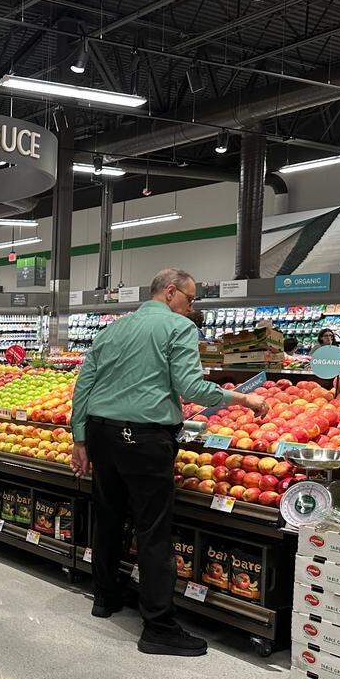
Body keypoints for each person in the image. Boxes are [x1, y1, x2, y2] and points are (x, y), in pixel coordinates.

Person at [70, 269, 269, 657]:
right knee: (153, 528)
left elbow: (85, 383)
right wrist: (244, 400)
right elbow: (191, 387)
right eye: (191, 299)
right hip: (144, 438)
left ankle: (105, 598)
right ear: (171, 293)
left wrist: (80, 437)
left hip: (101, 434)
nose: (192, 308)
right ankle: (158, 626)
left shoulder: (113, 329)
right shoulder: (178, 328)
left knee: (108, 515)